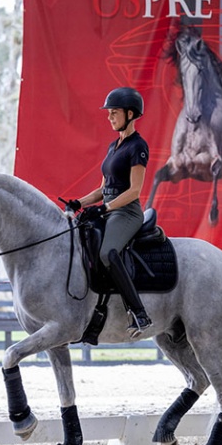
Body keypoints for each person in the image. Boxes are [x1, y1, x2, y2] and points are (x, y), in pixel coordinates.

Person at [67, 87, 152, 339]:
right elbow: (103, 189)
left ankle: (140, 313)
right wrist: (78, 203)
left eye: (114, 113)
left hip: (127, 212)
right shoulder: (113, 146)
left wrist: (105, 207)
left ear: (130, 113)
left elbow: (135, 191)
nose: (109, 117)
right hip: (110, 210)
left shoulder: (138, 146)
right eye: (109, 113)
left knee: (107, 252)